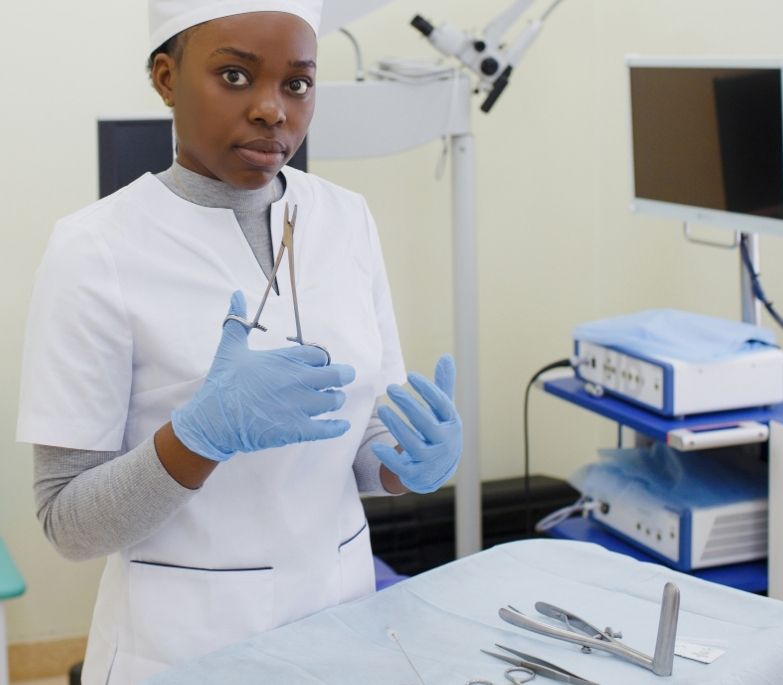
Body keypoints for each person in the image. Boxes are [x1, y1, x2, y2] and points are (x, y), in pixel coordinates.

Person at [16, 2, 462, 683]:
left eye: (298, 84)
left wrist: (407, 461)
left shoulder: (348, 219)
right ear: (166, 78)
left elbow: (368, 435)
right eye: (233, 75)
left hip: (342, 623)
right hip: (185, 648)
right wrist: (200, 435)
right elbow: (68, 523)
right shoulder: (94, 249)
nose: (271, 110)